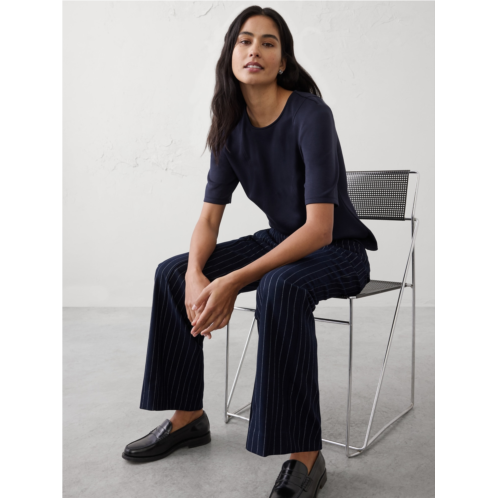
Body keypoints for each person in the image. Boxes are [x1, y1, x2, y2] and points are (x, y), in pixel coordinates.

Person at [122, 6, 377, 497]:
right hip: (281, 240)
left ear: (283, 61)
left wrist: (233, 281)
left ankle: (306, 455)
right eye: (244, 40)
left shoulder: (311, 115)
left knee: (279, 286)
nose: (254, 49)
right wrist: (196, 273)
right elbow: (208, 219)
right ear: (231, 54)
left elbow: (320, 229)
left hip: (337, 250)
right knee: (172, 272)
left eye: (268, 42)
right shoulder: (230, 125)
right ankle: (188, 417)